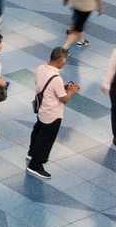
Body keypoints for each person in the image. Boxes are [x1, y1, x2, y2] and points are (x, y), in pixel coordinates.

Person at [27, 47, 79, 178]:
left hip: (41, 108)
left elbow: (44, 84)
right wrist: (71, 91)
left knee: (38, 130)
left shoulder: (40, 68)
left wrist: (62, 85)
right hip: (52, 113)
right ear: (61, 61)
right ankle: (35, 165)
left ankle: (31, 152)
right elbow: (64, 99)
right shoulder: (56, 78)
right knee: (46, 140)